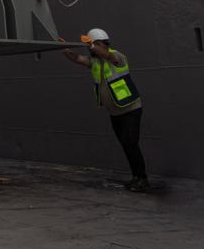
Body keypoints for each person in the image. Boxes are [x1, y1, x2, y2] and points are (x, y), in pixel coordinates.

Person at [64, 28, 149, 191]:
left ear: (104, 44)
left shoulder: (117, 57)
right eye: (91, 45)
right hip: (114, 112)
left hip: (130, 109)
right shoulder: (95, 62)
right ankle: (136, 177)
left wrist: (91, 45)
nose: (92, 48)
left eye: (96, 44)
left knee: (130, 143)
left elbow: (107, 55)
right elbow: (77, 58)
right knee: (126, 145)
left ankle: (142, 179)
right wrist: (63, 47)